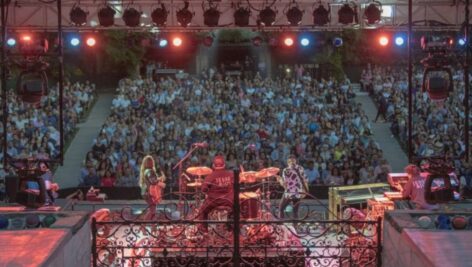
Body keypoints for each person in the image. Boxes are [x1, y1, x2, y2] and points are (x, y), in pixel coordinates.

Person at [198, 155, 234, 232]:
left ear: (213, 166)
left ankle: (204, 232)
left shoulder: (210, 176)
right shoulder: (231, 175)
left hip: (214, 202)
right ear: (224, 165)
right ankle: (231, 230)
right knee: (237, 209)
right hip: (229, 202)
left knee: (202, 211)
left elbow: (203, 190)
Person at [278, 155, 309, 219]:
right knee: (295, 211)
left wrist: (280, 180)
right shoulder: (301, 168)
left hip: (290, 192)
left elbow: (285, 184)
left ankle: (281, 225)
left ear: (288, 162)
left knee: (281, 208)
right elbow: (305, 180)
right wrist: (306, 191)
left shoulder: (286, 170)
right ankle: (295, 227)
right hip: (298, 192)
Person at [139, 155, 166, 220]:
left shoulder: (146, 170)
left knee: (153, 209)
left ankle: (153, 226)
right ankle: (143, 225)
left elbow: (152, 180)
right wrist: (161, 180)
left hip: (146, 192)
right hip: (148, 192)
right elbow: (153, 181)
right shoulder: (149, 171)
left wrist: (159, 179)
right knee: (152, 210)